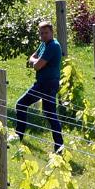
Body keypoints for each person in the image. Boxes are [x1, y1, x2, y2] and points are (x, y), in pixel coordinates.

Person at [12, 19, 66, 152]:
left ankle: (19, 135)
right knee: (50, 114)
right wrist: (35, 62)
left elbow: (36, 66)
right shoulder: (44, 44)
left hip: (47, 84)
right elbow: (32, 57)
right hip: (43, 83)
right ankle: (59, 146)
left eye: (46, 33)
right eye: (41, 33)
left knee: (21, 104)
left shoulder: (53, 46)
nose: (43, 36)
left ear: (52, 32)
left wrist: (35, 63)